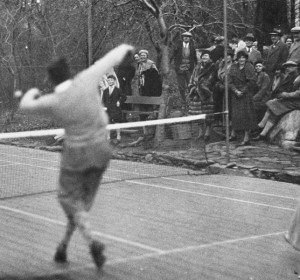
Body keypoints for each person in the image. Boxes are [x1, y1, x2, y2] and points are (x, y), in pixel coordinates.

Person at [19, 44, 134, 269]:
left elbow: (25, 105)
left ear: (51, 79)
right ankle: (62, 248)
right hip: (102, 151)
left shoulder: (53, 101)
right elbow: (112, 57)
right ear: (69, 71)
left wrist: (32, 92)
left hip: (76, 156)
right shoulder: (86, 79)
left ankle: (92, 241)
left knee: (69, 199)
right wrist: (126, 48)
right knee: (81, 206)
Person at [253, 60, 299, 141]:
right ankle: (262, 134)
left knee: (273, 103)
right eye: (287, 66)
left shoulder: (296, 77)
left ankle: (261, 126)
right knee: (274, 110)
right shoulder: (290, 76)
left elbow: (298, 93)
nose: (288, 68)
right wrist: (282, 95)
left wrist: (284, 95)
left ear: (296, 67)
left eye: (290, 66)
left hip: (296, 102)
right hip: (291, 99)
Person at [228, 50, 257, 145]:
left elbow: (252, 81)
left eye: (243, 57)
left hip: (246, 94)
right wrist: (235, 90)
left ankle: (246, 137)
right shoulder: (233, 67)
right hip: (235, 93)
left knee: (246, 115)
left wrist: (242, 91)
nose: (241, 59)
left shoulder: (249, 67)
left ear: (246, 58)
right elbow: (229, 81)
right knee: (235, 114)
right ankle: (233, 134)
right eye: (240, 57)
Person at [188, 50, 216, 140]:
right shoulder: (197, 66)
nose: (204, 58)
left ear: (209, 57)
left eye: (206, 56)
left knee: (208, 113)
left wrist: (203, 86)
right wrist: (192, 86)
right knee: (198, 113)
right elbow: (192, 77)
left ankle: (207, 132)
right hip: (196, 92)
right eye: (203, 56)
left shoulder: (212, 66)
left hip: (206, 92)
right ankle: (200, 132)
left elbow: (211, 79)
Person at [170, 31, 197, 103]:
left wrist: (196, 67)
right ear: (182, 38)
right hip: (180, 69)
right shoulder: (177, 46)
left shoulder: (192, 47)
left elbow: (195, 58)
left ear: (190, 38)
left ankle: (190, 100)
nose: (186, 38)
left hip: (189, 69)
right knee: (181, 86)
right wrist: (172, 65)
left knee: (190, 85)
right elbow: (172, 56)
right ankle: (183, 101)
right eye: (184, 36)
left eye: (188, 37)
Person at [102, 75, 126, 143]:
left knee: (117, 122)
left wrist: (119, 101)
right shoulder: (105, 91)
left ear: (114, 81)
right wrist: (104, 107)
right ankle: (108, 136)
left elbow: (124, 97)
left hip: (116, 109)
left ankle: (118, 136)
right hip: (108, 109)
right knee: (108, 122)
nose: (110, 82)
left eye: (111, 80)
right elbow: (103, 100)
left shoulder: (118, 90)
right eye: (108, 80)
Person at [213, 49, 234, 125]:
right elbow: (218, 77)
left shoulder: (234, 66)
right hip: (222, 88)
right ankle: (221, 122)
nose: (227, 57)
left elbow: (233, 79)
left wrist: (225, 85)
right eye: (225, 56)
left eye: (228, 56)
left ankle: (230, 124)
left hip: (230, 88)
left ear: (231, 57)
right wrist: (219, 84)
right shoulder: (221, 65)